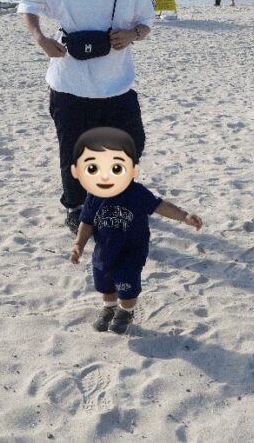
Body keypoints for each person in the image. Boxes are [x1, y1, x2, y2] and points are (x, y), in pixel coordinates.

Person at [19, 0, 154, 235]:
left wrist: (132, 34)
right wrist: (40, 39)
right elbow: (28, 4)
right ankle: (76, 207)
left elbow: (146, 22)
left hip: (117, 84)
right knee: (72, 150)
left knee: (132, 142)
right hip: (69, 84)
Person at [68, 127, 203, 334]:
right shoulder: (94, 195)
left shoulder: (137, 193)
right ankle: (109, 308)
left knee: (127, 285)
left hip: (131, 250)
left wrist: (184, 216)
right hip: (104, 250)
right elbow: (86, 223)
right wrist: (79, 244)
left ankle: (126, 311)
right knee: (105, 284)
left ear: (132, 170)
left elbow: (160, 206)